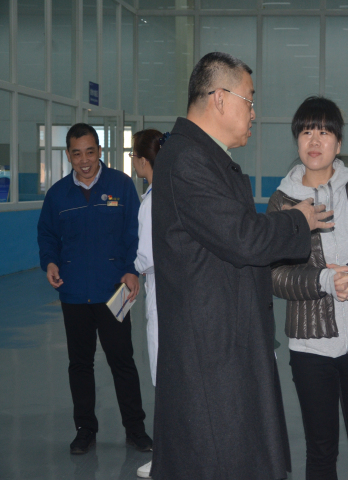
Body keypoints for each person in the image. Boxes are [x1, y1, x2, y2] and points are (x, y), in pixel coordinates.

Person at [150, 52, 333, 480]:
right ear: (219, 98)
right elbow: (243, 237)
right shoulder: (189, 160)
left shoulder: (207, 157)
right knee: (218, 457)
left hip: (226, 338)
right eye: (249, 100)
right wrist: (298, 220)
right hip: (210, 351)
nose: (253, 113)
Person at [268, 96, 348, 480]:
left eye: (324, 132)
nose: (314, 140)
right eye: (307, 131)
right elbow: (275, 273)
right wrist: (323, 279)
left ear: (338, 143)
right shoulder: (282, 201)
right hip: (310, 348)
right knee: (321, 453)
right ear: (297, 139)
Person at [37, 123, 152, 455]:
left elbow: (135, 233)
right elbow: (47, 235)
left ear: (100, 151)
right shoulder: (58, 195)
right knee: (80, 363)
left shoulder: (121, 185)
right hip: (73, 292)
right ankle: (85, 429)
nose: (84, 160)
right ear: (68, 155)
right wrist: (50, 262)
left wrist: (131, 270)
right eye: (77, 154)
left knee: (122, 361)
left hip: (115, 290)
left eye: (90, 152)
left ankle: (135, 429)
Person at [128, 128, 167, 479]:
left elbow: (148, 256)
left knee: (163, 377)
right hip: (180, 296)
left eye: (133, 156)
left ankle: (166, 458)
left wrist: (131, 268)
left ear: (143, 161)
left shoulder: (152, 202)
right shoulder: (175, 193)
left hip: (161, 296)